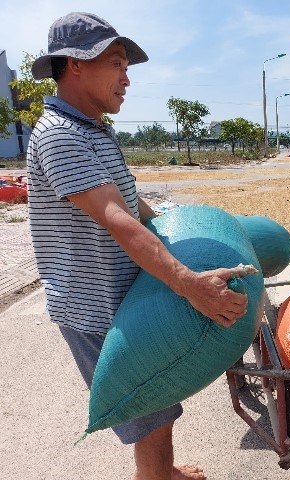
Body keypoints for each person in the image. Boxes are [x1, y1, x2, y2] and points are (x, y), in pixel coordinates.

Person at [27, 12, 249, 480]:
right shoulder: (60, 135)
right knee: (148, 413)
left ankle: (161, 472)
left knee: (158, 404)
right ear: (75, 65)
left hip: (120, 291)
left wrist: (169, 220)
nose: (127, 78)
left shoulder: (94, 128)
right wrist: (190, 284)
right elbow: (117, 222)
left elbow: (125, 198)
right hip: (93, 304)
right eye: (117, 63)